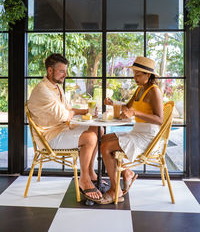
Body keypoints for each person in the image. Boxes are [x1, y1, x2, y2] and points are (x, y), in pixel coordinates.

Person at [28, 53, 104, 202]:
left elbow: (68, 109)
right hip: (49, 138)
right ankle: (84, 179)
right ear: (50, 71)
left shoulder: (56, 87)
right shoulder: (43, 90)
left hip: (62, 130)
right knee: (90, 137)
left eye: (65, 71)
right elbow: (65, 115)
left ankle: (89, 171)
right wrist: (73, 113)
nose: (65, 75)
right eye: (62, 71)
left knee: (98, 130)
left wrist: (86, 111)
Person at [99, 56, 163, 204]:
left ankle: (116, 189)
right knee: (105, 138)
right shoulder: (140, 89)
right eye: (134, 74)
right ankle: (127, 172)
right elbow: (127, 107)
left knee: (106, 146)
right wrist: (112, 103)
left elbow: (160, 119)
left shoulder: (154, 92)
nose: (135, 77)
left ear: (148, 75)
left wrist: (135, 113)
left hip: (149, 136)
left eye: (138, 75)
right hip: (138, 131)